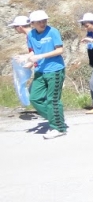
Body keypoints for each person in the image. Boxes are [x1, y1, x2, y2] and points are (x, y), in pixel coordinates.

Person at [23, 10, 68, 139]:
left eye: (44, 21)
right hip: (40, 71)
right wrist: (25, 57)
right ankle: (57, 119)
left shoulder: (53, 31)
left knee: (52, 100)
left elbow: (59, 50)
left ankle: (58, 127)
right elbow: (33, 52)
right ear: (32, 24)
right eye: (39, 22)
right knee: (34, 98)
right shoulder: (31, 35)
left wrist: (41, 56)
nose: (42, 23)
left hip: (55, 69)